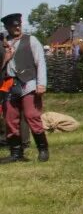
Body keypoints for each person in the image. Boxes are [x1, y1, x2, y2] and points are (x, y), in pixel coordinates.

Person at [0, 13, 48, 163]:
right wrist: (5, 58)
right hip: (9, 84)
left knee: (31, 115)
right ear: (7, 27)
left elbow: (40, 62)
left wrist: (41, 84)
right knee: (10, 118)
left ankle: (43, 149)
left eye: (18, 25)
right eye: (13, 26)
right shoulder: (3, 44)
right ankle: (16, 153)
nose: (17, 27)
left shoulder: (31, 40)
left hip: (29, 83)